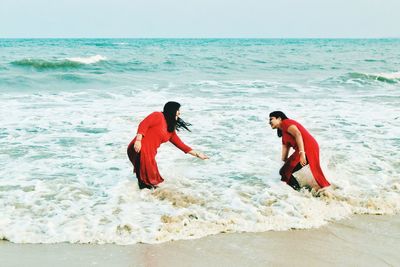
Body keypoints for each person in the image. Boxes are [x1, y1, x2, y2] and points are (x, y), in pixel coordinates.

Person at [127, 101, 209, 189]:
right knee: (146, 180)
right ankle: (140, 198)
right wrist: (138, 140)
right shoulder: (158, 115)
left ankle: (147, 198)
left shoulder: (170, 131)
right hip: (139, 147)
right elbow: (144, 124)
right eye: (178, 110)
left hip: (150, 154)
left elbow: (181, 145)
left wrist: (198, 154)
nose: (179, 112)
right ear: (172, 110)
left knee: (152, 179)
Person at [269, 111, 330, 190]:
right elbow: (284, 157)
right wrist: (287, 163)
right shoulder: (284, 134)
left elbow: (298, 134)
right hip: (306, 149)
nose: (269, 122)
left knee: (284, 172)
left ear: (279, 118)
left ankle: (299, 192)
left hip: (308, 147)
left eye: (271, 119)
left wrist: (302, 154)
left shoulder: (286, 123)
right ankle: (300, 191)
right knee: (285, 172)